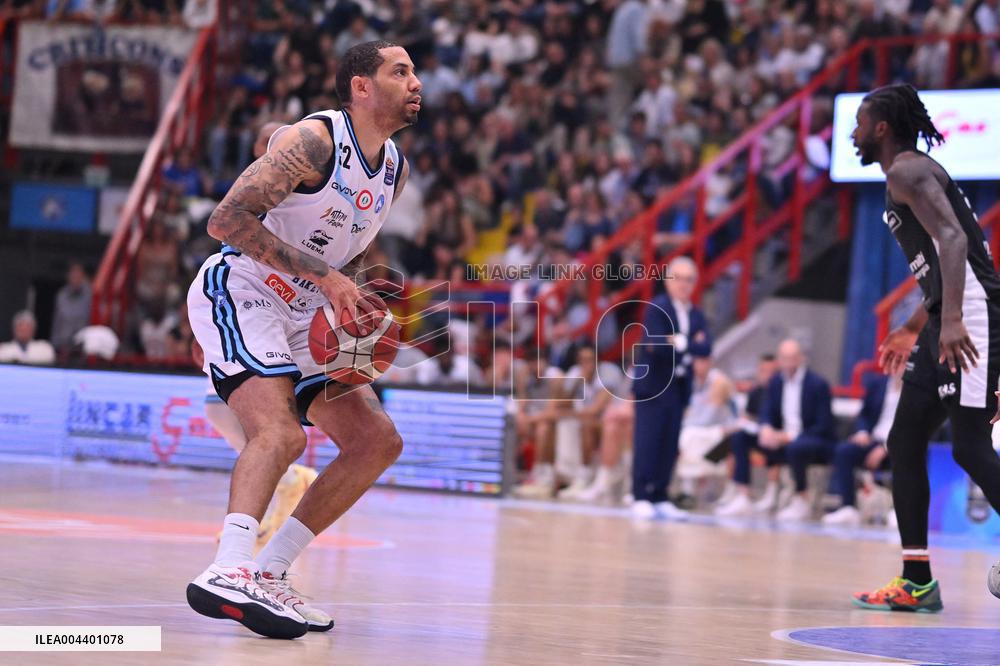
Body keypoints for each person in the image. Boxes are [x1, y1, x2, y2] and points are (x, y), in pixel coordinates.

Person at [185, 40, 421, 638]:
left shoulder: (394, 167)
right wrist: (326, 278)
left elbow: (344, 250)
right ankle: (228, 566)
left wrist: (355, 307)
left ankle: (269, 572)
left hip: (303, 313)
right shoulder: (316, 141)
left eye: (415, 72)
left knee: (376, 441)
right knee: (281, 433)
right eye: (401, 71)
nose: (416, 82)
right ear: (362, 86)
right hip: (244, 290)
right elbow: (226, 222)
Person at [851, 83, 1000, 612]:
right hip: (945, 318)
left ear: (883, 128)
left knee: (969, 446)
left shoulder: (907, 171)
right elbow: (940, 259)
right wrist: (919, 322)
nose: (854, 133)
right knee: (905, 438)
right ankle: (917, 580)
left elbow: (957, 242)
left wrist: (954, 318)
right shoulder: (907, 174)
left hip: (973, 317)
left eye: (861, 123)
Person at [631, 256, 711, 520]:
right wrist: (687, 344)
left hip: (679, 386)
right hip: (654, 385)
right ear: (667, 279)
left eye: (689, 279)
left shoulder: (696, 313)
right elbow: (655, 345)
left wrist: (679, 341)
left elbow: (706, 347)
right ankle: (641, 494)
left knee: (669, 442)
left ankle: (661, 494)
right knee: (648, 440)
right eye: (678, 278)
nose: (683, 284)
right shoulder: (657, 307)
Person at [756, 338, 835, 522]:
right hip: (783, 438)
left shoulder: (817, 384)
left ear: (801, 358)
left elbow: (824, 425)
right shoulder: (776, 382)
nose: (788, 362)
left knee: (796, 447)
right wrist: (766, 428)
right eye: (784, 358)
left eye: (792, 357)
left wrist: (790, 437)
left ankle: (801, 498)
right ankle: (744, 493)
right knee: (742, 438)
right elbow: (767, 410)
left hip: (813, 440)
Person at [822, 372, 901, 527]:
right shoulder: (878, 384)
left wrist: (886, 448)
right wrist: (863, 432)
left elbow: (915, 427)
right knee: (844, 451)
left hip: (900, 443)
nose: (900, 367)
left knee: (906, 456)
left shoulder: (918, 389)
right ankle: (848, 507)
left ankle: (898, 510)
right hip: (873, 439)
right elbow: (864, 414)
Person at [714, 353, 778, 517]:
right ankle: (737, 489)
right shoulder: (756, 391)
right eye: (763, 371)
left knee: (734, 441)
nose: (767, 375)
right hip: (754, 435)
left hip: (776, 438)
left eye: (771, 371)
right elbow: (748, 416)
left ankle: (772, 492)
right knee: (732, 440)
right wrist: (740, 424)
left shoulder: (781, 390)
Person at [51, 262, 92, 353]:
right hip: (63, 346)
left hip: (83, 347)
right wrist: (54, 344)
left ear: (83, 276)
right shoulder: (61, 295)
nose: (75, 277)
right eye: (73, 274)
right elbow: (57, 321)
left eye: (78, 274)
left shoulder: (90, 295)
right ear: (68, 276)